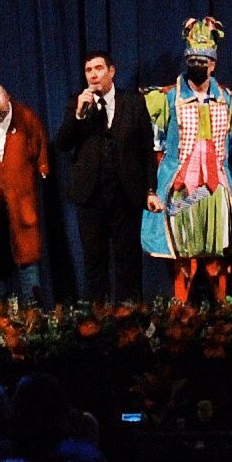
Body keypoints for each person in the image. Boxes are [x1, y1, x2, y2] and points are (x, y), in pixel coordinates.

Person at [143, 16, 232, 304]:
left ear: (213, 64)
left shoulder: (231, 101)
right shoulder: (165, 99)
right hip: (183, 189)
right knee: (184, 251)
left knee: (218, 251)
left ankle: (222, 306)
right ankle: (181, 308)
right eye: (193, 60)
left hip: (216, 189)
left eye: (204, 61)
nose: (198, 66)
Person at [54, 50, 155, 302]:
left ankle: (128, 321)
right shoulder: (77, 104)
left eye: (98, 68)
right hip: (91, 198)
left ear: (111, 71)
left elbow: (147, 149)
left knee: (128, 262)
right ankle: (98, 323)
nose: (93, 75)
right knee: (94, 263)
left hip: (126, 196)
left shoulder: (133, 103)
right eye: (88, 70)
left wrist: (150, 190)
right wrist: (78, 113)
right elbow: (62, 143)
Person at [0, 83, 50, 303]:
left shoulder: (25, 118)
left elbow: (40, 147)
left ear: (9, 98)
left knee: (27, 252)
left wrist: (43, 166)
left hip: (21, 199)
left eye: (3, 112)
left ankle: (33, 308)